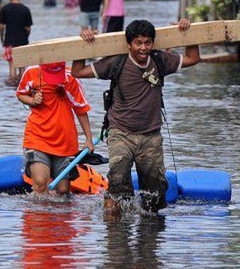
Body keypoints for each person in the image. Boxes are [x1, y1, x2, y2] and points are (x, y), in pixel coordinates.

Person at [71, 19, 199, 213]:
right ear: (129, 44)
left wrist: (187, 34)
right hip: (121, 133)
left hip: (151, 136)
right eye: (138, 43)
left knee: (154, 196)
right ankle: (115, 232)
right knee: (118, 183)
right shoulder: (117, 62)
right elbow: (78, 71)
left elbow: (193, 58)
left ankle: (150, 237)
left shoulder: (159, 60)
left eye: (147, 43)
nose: (143, 48)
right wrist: (83, 45)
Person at [16, 62, 94, 195]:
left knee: (63, 191)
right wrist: (32, 101)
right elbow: (20, 93)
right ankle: (38, 213)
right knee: (40, 182)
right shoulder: (31, 72)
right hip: (37, 136)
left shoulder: (71, 77)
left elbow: (81, 109)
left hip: (64, 140)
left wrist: (88, 139)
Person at [0, 0, 33, 85]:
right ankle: (23, 87)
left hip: (9, 42)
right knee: (23, 70)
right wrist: (26, 38)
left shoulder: (5, 9)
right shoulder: (25, 10)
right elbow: (28, 28)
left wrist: (2, 40)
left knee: (12, 68)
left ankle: (11, 86)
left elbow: (1, 27)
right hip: (23, 43)